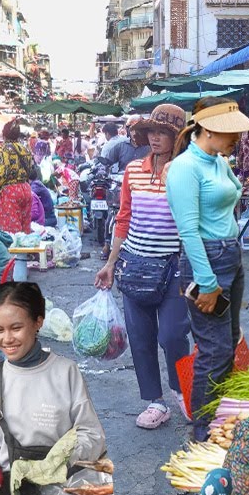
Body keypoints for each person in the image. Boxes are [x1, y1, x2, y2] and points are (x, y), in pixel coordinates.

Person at [0, 282, 107, 495]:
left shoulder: (65, 372)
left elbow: (92, 435)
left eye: (16, 328)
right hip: (7, 493)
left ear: (38, 322)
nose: (7, 338)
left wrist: (59, 459)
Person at [167, 97, 249, 441]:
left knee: (228, 343)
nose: (236, 137)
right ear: (206, 129)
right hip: (206, 262)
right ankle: (203, 429)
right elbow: (188, 231)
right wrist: (206, 282)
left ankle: (221, 416)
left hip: (229, 257)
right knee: (215, 349)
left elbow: (231, 195)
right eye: (229, 131)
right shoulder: (185, 168)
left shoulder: (218, 161)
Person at [95, 104, 190, 429]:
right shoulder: (133, 170)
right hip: (134, 264)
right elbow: (123, 218)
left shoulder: (187, 171)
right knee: (140, 336)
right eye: (152, 131)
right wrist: (110, 263)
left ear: (178, 138)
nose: (156, 138)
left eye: (163, 132)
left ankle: (181, 389)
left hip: (174, 267)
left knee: (173, 334)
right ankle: (155, 401)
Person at [0, 120, 37, 234]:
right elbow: (31, 168)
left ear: (4, 134)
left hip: (9, 192)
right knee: (25, 229)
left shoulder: (3, 150)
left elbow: (1, 173)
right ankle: (27, 251)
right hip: (26, 189)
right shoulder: (25, 149)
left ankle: (15, 253)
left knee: (12, 232)